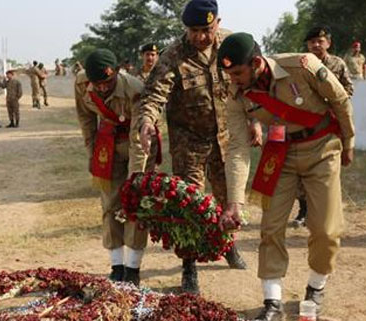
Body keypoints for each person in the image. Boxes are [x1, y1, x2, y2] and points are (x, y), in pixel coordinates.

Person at [217, 33, 355, 321]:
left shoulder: (302, 66)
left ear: (256, 63)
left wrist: (349, 141)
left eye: (238, 73)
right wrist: (234, 202)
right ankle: (272, 301)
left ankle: (315, 288)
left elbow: (340, 99)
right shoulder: (236, 95)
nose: (234, 80)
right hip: (280, 151)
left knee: (325, 229)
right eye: (229, 75)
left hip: (322, 147)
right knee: (271, 227)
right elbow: (239, 148)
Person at [137, 0, 250, 294]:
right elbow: (153, 95)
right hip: (189, 144)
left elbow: (248, 84)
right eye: (194, 31)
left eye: (206, 30)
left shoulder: (230, 44)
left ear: (218, 22)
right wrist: (147, 122)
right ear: (185, 28)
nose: (200, 37)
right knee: (190, 206)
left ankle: (228, 247)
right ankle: (189, 267)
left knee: (228, 199)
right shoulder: (172, 56)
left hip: (226, 140)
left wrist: (255, 120)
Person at [75, 49, 160, 286]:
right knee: (110, 202)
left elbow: (137, 141)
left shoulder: (135, 90)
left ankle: (133, 268)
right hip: (107, 143)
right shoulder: (81, 83)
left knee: (136, 203)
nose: (102, 88)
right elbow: (86, 119)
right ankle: (116, 266)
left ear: (118, 72)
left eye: (108, 82)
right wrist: (92, 155)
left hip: (139, 142)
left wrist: (135, 178)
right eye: (97, 84)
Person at [289, 26, 354, 228]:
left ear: (328, 43)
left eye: (320, 41)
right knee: (301, 172)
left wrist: (331, 103)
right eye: (312, 42)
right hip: (306, 126)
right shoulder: (301, 64)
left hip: (331, 125)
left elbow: (348, 90)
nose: (316, 45)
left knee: (328, 168)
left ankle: (325, 212)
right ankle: (304, 211)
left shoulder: (338, 64)